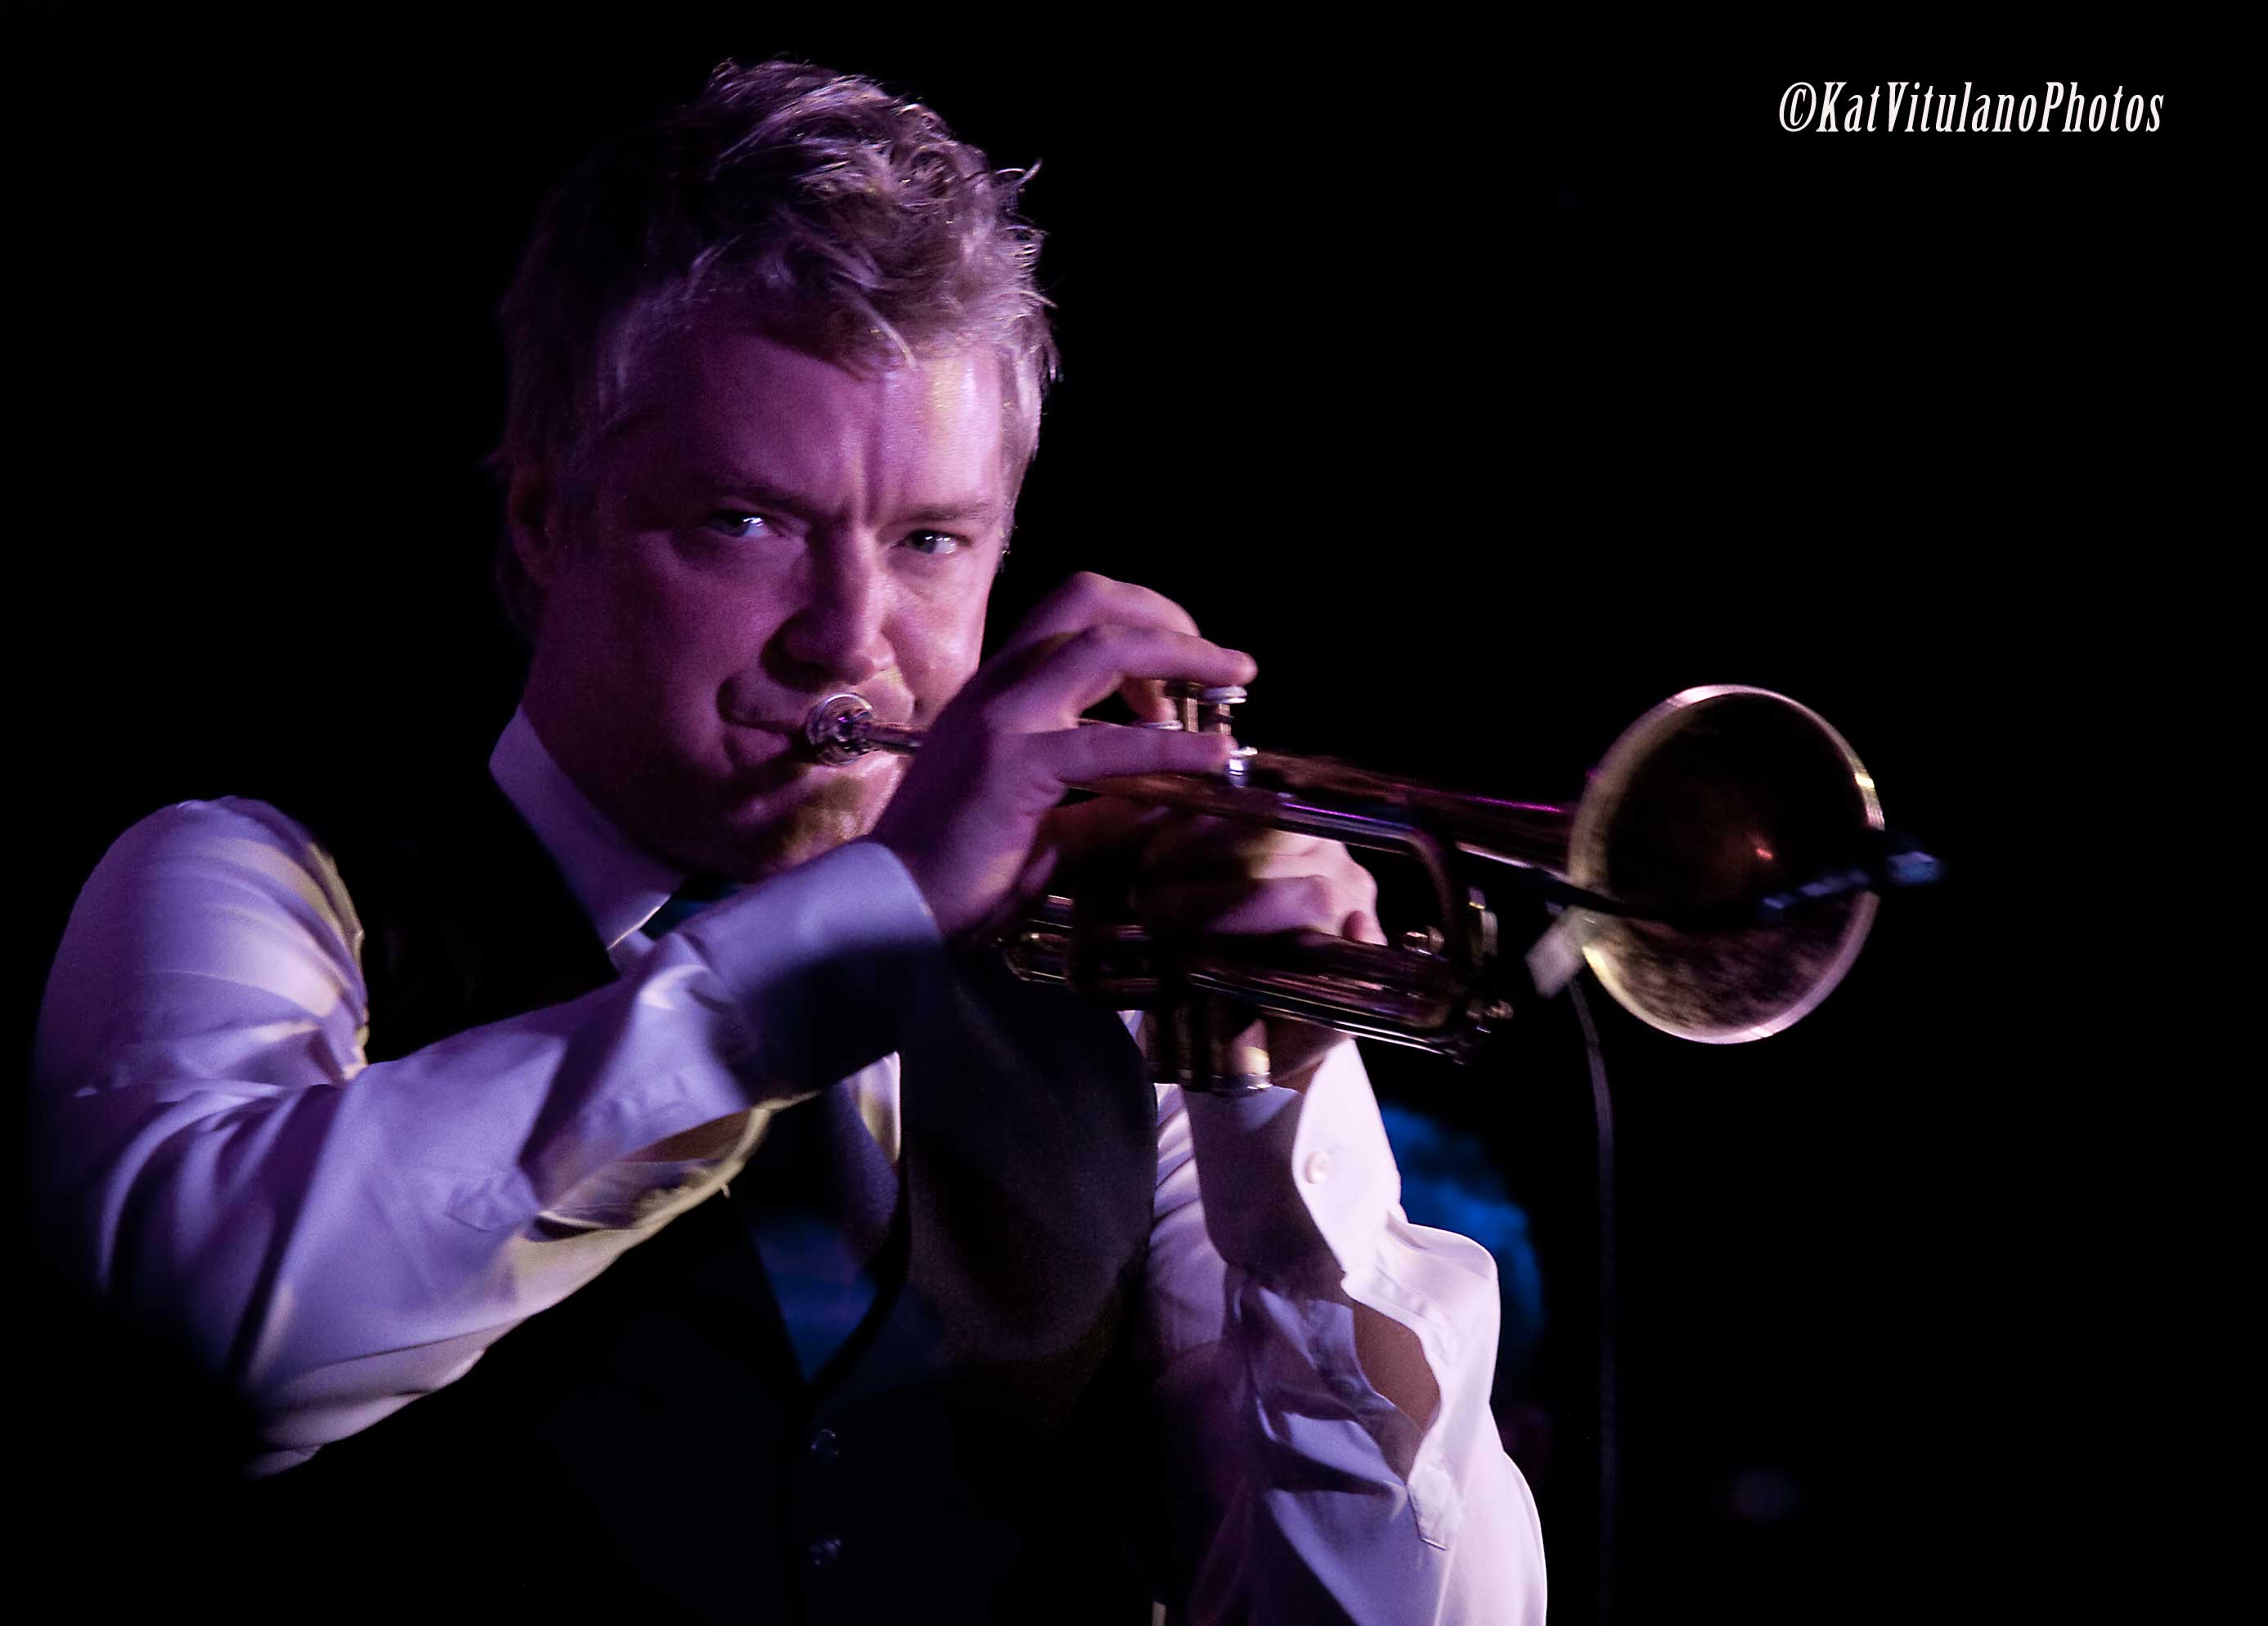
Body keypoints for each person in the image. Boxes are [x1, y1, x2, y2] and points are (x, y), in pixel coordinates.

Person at [29, 59, 1545, 1624]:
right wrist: (866, 920)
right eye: (746, 524)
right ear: (547, 519)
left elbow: (1408, 1616)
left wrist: (1278, 1121)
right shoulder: (257, 879)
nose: (848, 642)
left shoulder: (1112, 996)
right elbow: (205, 1349)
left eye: (929, 542)